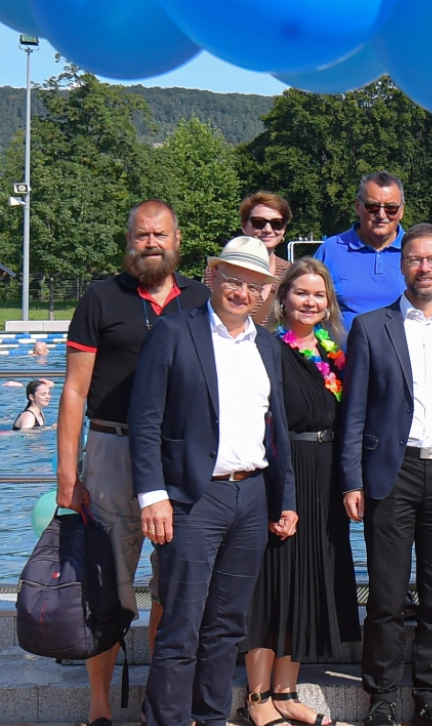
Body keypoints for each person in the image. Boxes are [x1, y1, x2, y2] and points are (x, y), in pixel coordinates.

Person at [129, 235, 296, 726]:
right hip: (190, 499)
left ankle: (211, 717)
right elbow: (145, 420)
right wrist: (153, 496)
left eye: (254, 285)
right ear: (214, 276)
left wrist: (284, 497)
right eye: (234, 280)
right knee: (180, 625)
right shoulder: (174, 331)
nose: (242, 292)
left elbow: (276, 429)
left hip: (252, 496)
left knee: (227, 627)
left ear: (266, 292)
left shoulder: (267, 345)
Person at [56, 199, 211, 726]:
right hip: (114, 451)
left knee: (174, 584)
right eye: (142, 235)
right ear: (128, 240)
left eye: (160, 234)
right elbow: (74, 391)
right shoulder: (101, 298)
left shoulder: (200, 299)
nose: (151, 243)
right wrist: (68, 474)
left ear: (178, 239)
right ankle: (100, 706)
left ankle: (161, 702)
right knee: (106, 583)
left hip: (180, 456)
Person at [339, 223, 432, 726]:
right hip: (390, 474)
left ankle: (430, 694)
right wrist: (351, 479)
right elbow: (354, 411)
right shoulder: (371, 327)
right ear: (402, 266)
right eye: (416, 259)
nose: (425, 268)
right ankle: (381, 694)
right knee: (387, 592)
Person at [240, 257, 361, 726]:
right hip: (285, 469)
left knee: (309, 581)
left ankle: (287, 691)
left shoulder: (334, 352)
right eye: (301, 293)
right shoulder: (267, 349)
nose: (310, 302)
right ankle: (257, 696)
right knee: (272, 585)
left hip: (325, 477)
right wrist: (278, 495)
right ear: (283, 298)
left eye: (318, 294)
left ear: (328, 302)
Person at [316, 172, 408, 331]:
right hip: (342, 348)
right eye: (372, 207)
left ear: (401, 211)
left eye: (391, 208)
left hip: (403, 348)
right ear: (358, 206)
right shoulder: (331, 250)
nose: (381, 215)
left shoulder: (417, 252)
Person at [209, 192, 294, 326]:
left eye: (276, 223)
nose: (268, 229)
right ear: (243, 226)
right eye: (258, 223)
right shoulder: (222, 269)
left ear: (284, 229)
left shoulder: (291, 273)